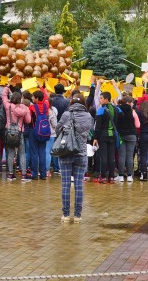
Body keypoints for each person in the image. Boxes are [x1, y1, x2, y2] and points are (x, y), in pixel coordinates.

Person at [56, 94, 93, 223]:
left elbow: (57, 129)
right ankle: (78, 215)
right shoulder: (88, 116)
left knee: (65, 184)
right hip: (81, 153)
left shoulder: (66, 115)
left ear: (71, 103)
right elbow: (89, 132)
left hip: (66, 152)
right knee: (79, 185)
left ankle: (66, 215)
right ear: (84, 103)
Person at [1, 86, 31, 181]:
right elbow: (28, 121)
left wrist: (7, 87)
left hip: (9, 131)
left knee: (10, 153)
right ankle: (23, 175)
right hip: (19, 132)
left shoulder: (7, 106)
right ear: (20, 99)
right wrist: (26, 109)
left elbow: (3, 96)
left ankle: (10, 174)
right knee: (22, 153)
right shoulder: (23, 109)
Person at [93, 90, 118, 183]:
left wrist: (95, 138)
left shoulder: (101, 110)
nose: (100, 100)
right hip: (113, 136)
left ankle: (103, 177)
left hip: (103, 136)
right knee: (111, 157)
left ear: (106, 99)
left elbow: (98, 126)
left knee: (103, 157)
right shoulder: (116, 109)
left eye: (101, 98)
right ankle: (111, 177)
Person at [28, 89, 50, 180]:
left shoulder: (32, 107)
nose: (32, 98)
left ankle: (34, 174)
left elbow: (29, 119)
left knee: (34, 153)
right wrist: (42, 88)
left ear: (37, 98)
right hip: (44, 131)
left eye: (33, 97)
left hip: (34, 130)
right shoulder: (46, 106)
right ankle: (43, 174)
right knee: (42, 152)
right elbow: (46, 97)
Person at [116, 95, 139, 183]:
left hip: (121, 135)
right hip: (132, 135)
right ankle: (130, 176)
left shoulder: (118, 110)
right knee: (130, 156)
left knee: (121, 155)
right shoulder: (133, 112)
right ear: (129, 102)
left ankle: (121, 176)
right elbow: (138, 125)